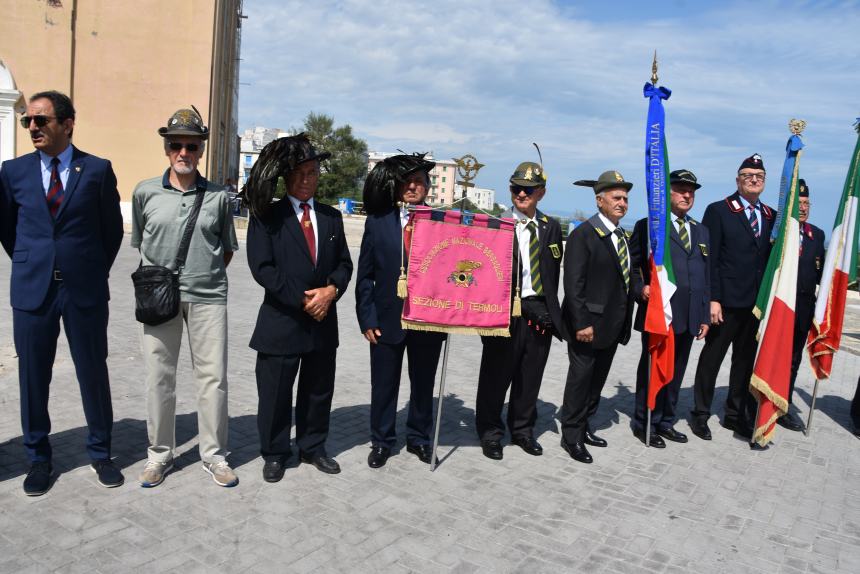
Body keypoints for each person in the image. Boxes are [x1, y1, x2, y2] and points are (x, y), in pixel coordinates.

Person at [0, 90, 124, 495]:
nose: (32, 127)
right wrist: (33, 262)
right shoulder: (12, 172)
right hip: (32, 291)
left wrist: (85, 268)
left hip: (84, 290)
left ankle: (101, 452)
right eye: (28, 122)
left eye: (41, 120)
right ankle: (38, 458)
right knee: (33, 376)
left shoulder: (97, 170)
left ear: (68, 124)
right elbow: (7, 229)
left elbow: (111, 232)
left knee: (93, 371)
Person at [131, 108, 239, 488]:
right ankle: (159, 454)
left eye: (191, 145)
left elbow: (226, 249)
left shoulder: (218, 198)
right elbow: (141, 243)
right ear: (166, 148)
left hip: (208, 297)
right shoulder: (145, 192)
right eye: (176, 144)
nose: (183, 151)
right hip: (158, 298)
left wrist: (202, 274)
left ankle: (214, 455)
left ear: (200, 150)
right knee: (158, 378)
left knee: (213, 379)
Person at [245, 134, 353, 482]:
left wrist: (331, 290)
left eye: (313, 172)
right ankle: (275, 452)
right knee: (275, 394)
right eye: (300, 173)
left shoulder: (332, 218)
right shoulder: (267, 216)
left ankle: (313, 447)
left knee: (318, 391)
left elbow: (344, 264)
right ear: (286, 176)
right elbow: (263, 268)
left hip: (323, 323)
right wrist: (307, 299)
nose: (307, 179)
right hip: (282, 321)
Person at [355, 154, 446, 468]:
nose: (412, 187)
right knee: (383, 385)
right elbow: (365, 275)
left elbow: (452, 276)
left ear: (427, 188)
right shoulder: (378, 222)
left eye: (419, 182)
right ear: (396, 187)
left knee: (423, 384)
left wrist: (450, 315)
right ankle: (381, 441)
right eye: (407, 182)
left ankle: (419, 438)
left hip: (427, 322)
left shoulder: (440, 223)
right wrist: (366, 317)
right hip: (385, 320)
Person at [474, 161, 565, 460]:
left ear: (541, 192)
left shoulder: (550, 226)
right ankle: (490, 432)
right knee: (496, 376)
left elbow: (552, 275)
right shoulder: (496, 224)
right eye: (516, 188)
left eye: (527, 190)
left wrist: (552, 312)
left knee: (530, 376)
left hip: (540, 313)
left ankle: (523, 430)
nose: (521, 194)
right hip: (505, 312)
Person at [690, 154, 776, 447]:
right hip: (724, 303)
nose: (754, 179)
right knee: (712, 358)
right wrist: (711, 299)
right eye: (748, 175)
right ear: (738, 180)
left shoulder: (770, 216)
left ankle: (734, 413)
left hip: (754, 305)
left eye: (759, 176)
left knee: (744, 362)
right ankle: (700, 412)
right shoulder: (719, 210)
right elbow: (709, 259)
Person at [630, 169, 710, 447]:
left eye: (691, 191)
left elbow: (704, 275)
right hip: (660, 314)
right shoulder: (649, 227)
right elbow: (633, 268)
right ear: (667, 193)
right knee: (652, 370)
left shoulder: (701, 230)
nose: (687, 195)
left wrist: (704, 315)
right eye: (680, 189)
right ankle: (645, 422)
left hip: (689, 316)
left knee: (676, 372)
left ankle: (665, 421)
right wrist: (641, 289)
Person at [559, 171, 635, 464]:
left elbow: (625, 279)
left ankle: (585, 424)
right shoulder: (584, 234)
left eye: (626, 198)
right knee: (580, 381)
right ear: (599, 200)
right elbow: (573, 284)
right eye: (616, 198)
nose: (622, 203)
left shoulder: (621, 235)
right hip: (587, 327)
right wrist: (581, 323)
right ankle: (572, 435)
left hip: (612, 326)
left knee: (596, 382)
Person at [780, 179, 825, 431]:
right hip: (780, 307)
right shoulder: (780, 231)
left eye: (807, 203)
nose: (804, 208)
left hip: (803, 311)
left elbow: (821, 274)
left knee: (794, 360)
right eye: (799, 203)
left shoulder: (816, 235)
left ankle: (784, 405)